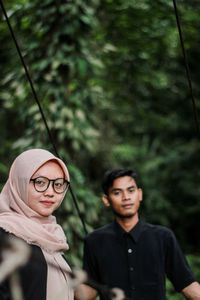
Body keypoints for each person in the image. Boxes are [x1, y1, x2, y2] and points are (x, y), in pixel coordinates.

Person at [82, 168, 200, 300]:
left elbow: (187, 284)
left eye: (131, 191)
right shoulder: (94, 241)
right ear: (106, 200)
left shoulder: (163, 237)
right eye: (117, 192)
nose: (126, 197)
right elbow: (87, 294)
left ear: (140, 194)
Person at [0, 148, 74, 300]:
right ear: (19, 183)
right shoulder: (4, 236)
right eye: (40, 182)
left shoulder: (54, 237)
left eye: (58, 185)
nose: (50, 192)